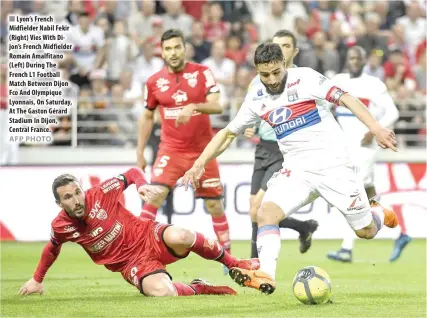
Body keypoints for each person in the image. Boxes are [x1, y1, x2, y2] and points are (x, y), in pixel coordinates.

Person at [181, 43, 399, 295]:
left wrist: (376, 128)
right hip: (297, 171)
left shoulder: (305, 78)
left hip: (334, 166)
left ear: (284, 65)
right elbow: (228, 133)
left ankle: (380, 213)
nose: (272, 80)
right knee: (266, 214)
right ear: (257, 71)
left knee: (366, 231)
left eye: (276, 72)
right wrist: (199, 164)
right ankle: (267, 276)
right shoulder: (256, 98)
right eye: (265, 74)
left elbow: (346, 98)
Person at [18, 168, 259, 297]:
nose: (76, 200)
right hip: (131, 263)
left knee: (182, 236)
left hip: (147, 234)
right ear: (60, 204)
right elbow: (52, 248)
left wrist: (141, 185)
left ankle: (234, 262)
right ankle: (201, 287)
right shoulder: (61, 226)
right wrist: (37, 280)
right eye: (68, 198)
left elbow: (132, 173)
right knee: (162, 292)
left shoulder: (100, 193)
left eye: (77, 192)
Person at [136, 29, 232, 267]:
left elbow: (217, 106)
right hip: (170, 151)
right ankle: (139, 253)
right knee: (153, 198)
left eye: (177, 47)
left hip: (203, 152)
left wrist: (193, 107)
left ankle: (228, 259)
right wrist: (139, 151)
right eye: (168, 48)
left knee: (215, 205)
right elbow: (147, 117)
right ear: (163, 52)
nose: (173, 52)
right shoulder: (154, 82)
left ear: (185, 48)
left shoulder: (202, 73)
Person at [326, 46, 410, 263]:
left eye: (358, 58)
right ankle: (400, 233)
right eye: (351, 57)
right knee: (370, 194)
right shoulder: (339, 80)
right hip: (346, 146)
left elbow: (393, 112)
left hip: (366, 145)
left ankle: (346, 248)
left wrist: (375, 130)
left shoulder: (374, 84)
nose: (354, 61)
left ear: (364, 61)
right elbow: (324, 106)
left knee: (354, 189)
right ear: (347, 60)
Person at [245, 30, 319, 258]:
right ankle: (303, 227)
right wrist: (252, 126)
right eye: (277, 46)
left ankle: (253, 262)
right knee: (253, 211)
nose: (280, 50)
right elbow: (252, 110)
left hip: (286, 149)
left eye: (286, 46)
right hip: (263, 148)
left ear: (294, 51)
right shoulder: (258, 81)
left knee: (259, 207)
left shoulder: (303, 79)